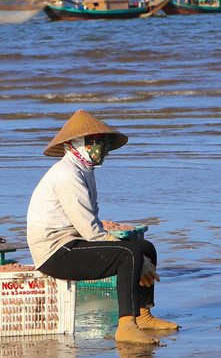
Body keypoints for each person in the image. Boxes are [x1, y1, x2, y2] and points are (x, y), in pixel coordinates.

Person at [26, 109, 178, 345]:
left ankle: (143, 314)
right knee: (130, 253)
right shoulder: (67, 175)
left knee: (145, 247)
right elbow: (91, 231)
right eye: (95, 142)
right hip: (55, 253)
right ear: (75, 144)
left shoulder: (83, 170)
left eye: (103, 142)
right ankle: (126, 325)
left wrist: (142, 258)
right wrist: (137, 260)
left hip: (73, 243)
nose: (102, 148)